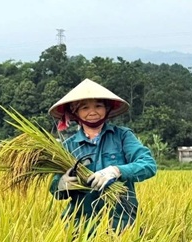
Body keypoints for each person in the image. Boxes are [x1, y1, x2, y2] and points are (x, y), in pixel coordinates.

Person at [48, 78, 157, 232]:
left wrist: (117, 171)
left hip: (122, 224)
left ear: (107, 109)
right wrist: (62, 184)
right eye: (85, 107)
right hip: (80, 227)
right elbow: (56, 191)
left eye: (98, 106)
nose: (92, 112)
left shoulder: (122, 136)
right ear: (75, 112)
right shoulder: (68, 146)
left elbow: (148, 165)